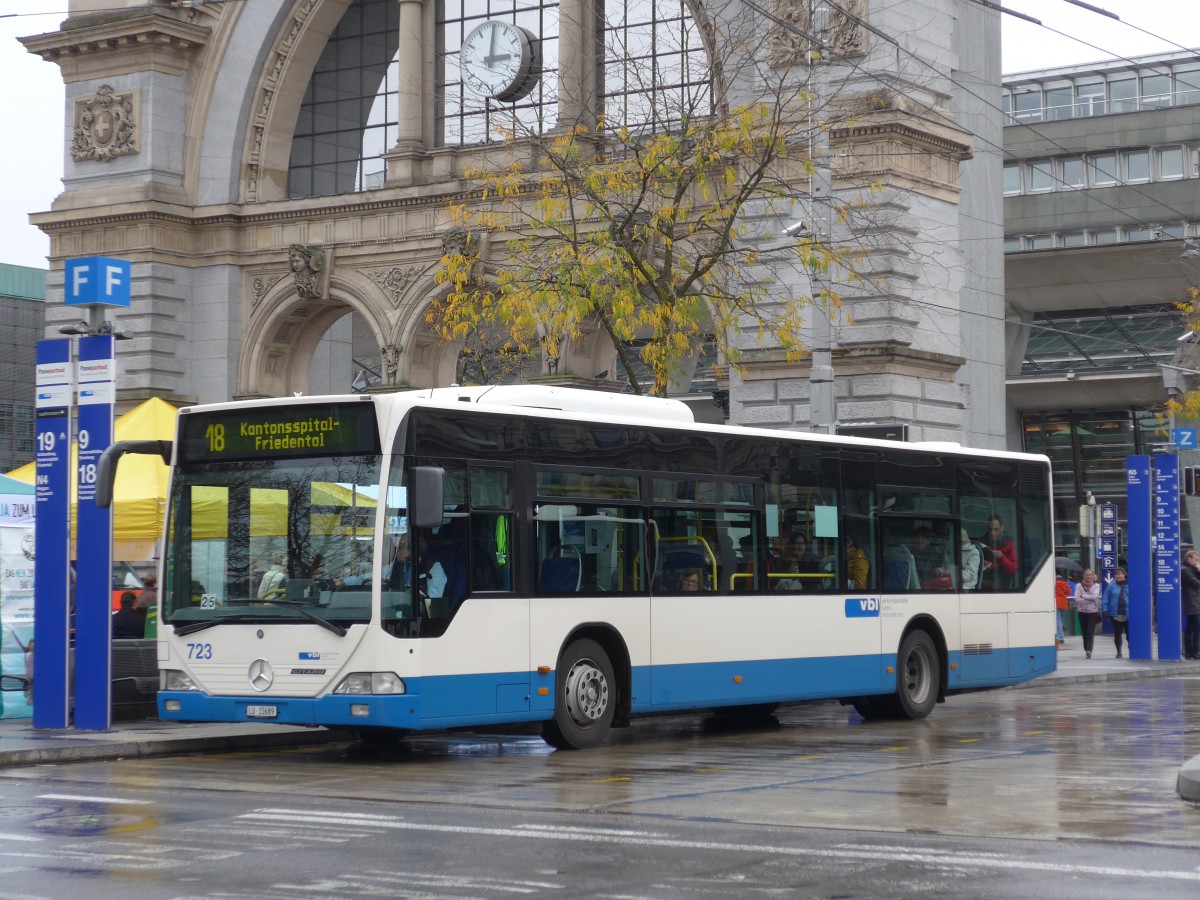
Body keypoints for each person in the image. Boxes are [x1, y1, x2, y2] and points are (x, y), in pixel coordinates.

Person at [979, 515, 1018, 589]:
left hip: (1001, 579)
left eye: (996, 529)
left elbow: (1013, 569)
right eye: (990, 529)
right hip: (984, 575)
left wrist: (1001, 557)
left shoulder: (1009, 543)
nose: (992, 533)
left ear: (1002, 528)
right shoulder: (981, 541)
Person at [1102, 566, 1129, 658]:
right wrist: (1105, 610)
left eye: (1120, 574)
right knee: (1118, 633)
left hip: (1128, 614)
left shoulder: (1130, 584)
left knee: (1130, 634)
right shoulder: (1111, 586)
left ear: (1124, 575)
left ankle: (1131, 649)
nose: (1118, 576)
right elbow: (1106, 598)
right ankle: (1119, 652)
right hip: (1115, 613)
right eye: (1116, 574)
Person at [1074, 568, 1102, 659]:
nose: (1088, 577)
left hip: (1093, 612)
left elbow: (1094, 597)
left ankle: (1089, 650)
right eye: (1087, 575)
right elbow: (1077, 599)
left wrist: (1084, 596)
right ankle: (1086, 649)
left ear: (1093, 576)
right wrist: (1087, 600)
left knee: (1090, 631)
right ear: (1084, 575)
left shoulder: (1096, 586)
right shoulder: (1079, 586)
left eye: (1090, 575)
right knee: (1084, 631)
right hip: (1082, 612)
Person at [1182, 550, 1200, 660]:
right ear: (1189, 558)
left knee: (1192, 628)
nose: (1197, 562)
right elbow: (1196, 583)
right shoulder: (1185, 570)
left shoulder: (1191, 570)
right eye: (1196, 560)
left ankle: (1192, 652)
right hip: (1191, 603)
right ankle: (1193, 652)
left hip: (1196, 603)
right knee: (1196, 627)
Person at [1054, 569, 1071, 650]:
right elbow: (1068, 593)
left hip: (1057, 602)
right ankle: (1061, 636)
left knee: (1058, 620)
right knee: (1062, 619)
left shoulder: (1054, 584)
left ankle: (1060, 637)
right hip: (1064, 602)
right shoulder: (1065, 584)